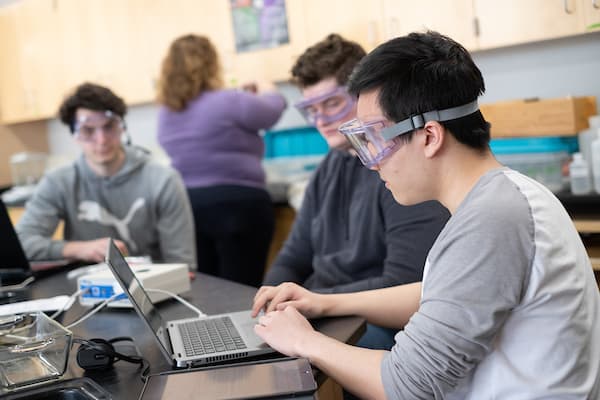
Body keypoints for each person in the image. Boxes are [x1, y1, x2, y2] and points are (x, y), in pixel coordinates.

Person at [252, 31, 600, 399]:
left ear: (430, 137)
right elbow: (442, 294)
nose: (371, 164)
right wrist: (325, 302)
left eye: (375, 139)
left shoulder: (492, 218)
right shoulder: (503, 197)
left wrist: (306, 342)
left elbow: (405, 386)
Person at [262, 34, 449, 350]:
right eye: (311, 109)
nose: (321, 119)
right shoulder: (329, 167)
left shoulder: (402, 168)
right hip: (326, 308)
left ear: (364, 96)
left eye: (332, 103)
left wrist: (314, 300)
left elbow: (405, 285)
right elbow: (295, 253)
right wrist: (271, 297)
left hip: (377, 321)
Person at [16, 83, 196, 269]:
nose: (101, 140)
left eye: (109, 126)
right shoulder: (59, 182)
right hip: (85, 288)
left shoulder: (163, 180)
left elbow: (183, 265)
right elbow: (22, 242)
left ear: (122, 127)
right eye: (88, 130)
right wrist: (79, 249)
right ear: (74, 135)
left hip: (156, 288)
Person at [156, 34, 286, 287]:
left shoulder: (166, 112)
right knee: (243, 289)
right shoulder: (229, 100)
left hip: (188, 208)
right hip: (239, 205)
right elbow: (272, 110)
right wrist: (269, 88)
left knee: (208, 290)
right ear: (211, 64)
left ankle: (209, 329)